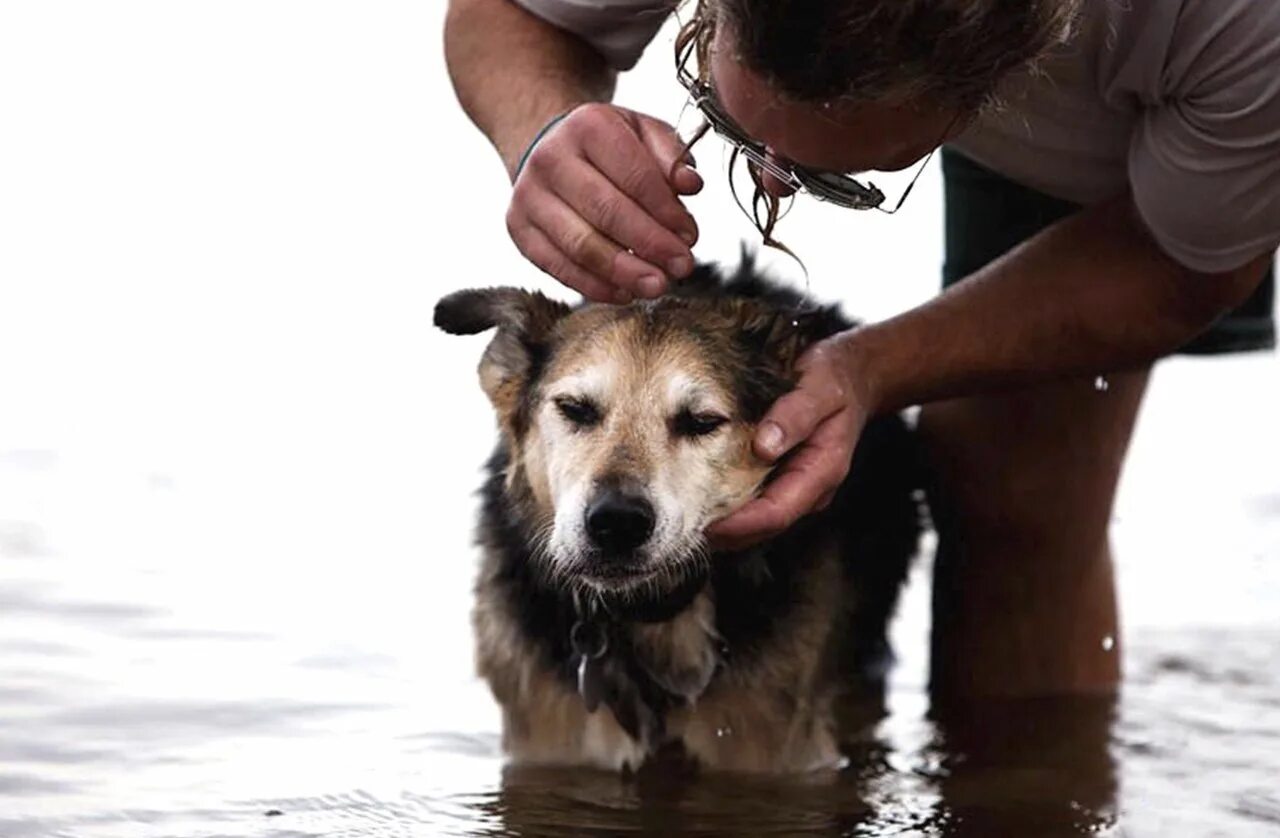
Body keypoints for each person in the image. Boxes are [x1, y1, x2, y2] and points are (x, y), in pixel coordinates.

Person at [443, 0, 1279, 698]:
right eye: (721, 110)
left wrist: (872, 369)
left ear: (1008, 77)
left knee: (1017, 500)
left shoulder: (1232, 27)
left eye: (830, 181)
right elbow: (504, 8)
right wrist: (543, 126)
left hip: (1141, 96)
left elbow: (1184, 269)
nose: (765, 189)